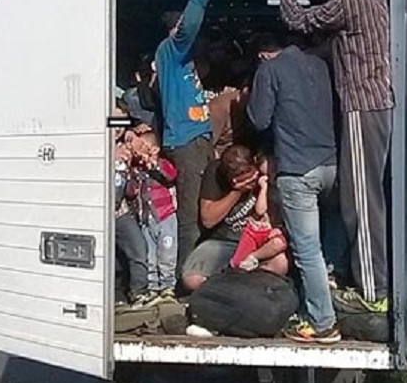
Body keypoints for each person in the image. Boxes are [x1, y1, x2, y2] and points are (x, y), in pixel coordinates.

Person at [269, 0, 393, 313]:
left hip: (360, 107)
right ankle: (369, 281)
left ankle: (372, 292)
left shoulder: (346, 3)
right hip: (377, 106)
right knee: (364, 196)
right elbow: (342, 46)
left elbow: (296, 19)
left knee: (361, 202)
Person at [246, 34, 341, 343]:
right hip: (332, 165)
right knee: (332, 238)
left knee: (307, 250)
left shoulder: (269, 70)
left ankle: (322, 323)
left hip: (298, 169)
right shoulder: (321, 65)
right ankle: (334, 296)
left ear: (263, 54)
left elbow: (259, 119)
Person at [155, 0, 224, 277]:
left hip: (196, 139)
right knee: (192, 213)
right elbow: (189, 27)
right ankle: (186, 278)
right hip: (187, 142)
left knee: (205, 205)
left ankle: (201, 270)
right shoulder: (172, 49)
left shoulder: (180, 60)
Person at [181, 145, 288, 292]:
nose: (250, 182)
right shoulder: (215, 173)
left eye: (250, 175)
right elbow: (208, 220)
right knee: (192, 280)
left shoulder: (262, 171)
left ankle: (240, 288)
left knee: (280, 264)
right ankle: (233, 288)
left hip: (258, 244)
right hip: (223, 241)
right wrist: (237, 192)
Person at [126, 131, 179, 304]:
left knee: (167, 254)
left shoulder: (162, 164)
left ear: (154, 149)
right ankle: (153, 287)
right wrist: (131, 173)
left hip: (165, 217)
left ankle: (168, 286)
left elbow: (171, 175)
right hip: (146, 219)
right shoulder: (137, 170)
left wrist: (153, 163)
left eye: (142, 148)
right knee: (150, 255)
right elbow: (130, 192)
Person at [112, 107, 153, 309]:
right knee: (110, 258)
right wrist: (110, 155)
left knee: (138, 248)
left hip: (120, 210)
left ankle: (139, 293)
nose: (117, 127)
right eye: (113, 121)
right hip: (97, 211)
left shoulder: (127, 144)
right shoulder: (92, 144)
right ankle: (115, 296)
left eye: (122, 122)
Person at [229, 154, 288, 272]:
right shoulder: (260, 187)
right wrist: (263, 188)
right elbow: (260, 210)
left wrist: (280, 229)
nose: (268, 178)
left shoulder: (285, 187)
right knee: (237, 263)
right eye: (264, 174)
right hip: (257, 230)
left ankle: (254, 257)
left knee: (278, 244)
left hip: (275, 231)